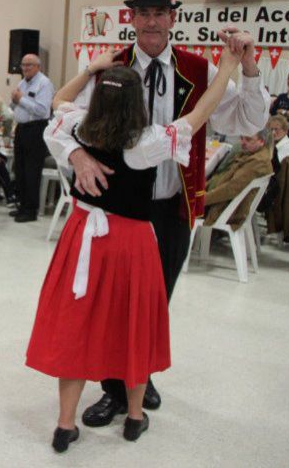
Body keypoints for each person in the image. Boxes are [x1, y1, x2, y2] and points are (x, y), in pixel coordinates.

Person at [49, 0, 270, 428]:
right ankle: (114, 389)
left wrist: (245, 69)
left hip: (171, 204)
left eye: (159, 12)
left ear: (173, 18)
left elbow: (249, 118)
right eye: (143, 13)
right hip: (116, 210)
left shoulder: (197, 69)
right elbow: (63, 117)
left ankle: (137, 373)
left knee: (154, 301)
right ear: (132, 18)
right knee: (110, 304)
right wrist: (76, 154)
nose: (151, 21)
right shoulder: (110, 67)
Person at [28, 38, 242, 452]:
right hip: (130, 244)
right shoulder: (145, 143)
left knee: (78, 323)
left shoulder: (74, 127)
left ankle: (65, 424)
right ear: (137, 104)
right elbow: (198, 116)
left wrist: (91, 69)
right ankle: (135, 416)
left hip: (83, 236)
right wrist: (228, 67)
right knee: (133, 322)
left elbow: (57, 100)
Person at [9, 53, 55, 222]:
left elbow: (43, 111)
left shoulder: (44, 83)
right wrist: (14, 100)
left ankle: (30, 210)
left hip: (36, 130)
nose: (25, 68)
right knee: (19, 169)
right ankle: (21, 205)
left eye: (29, 65)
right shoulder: (22, 83)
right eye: (23, 65)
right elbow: (15, 105)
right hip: (21, 129)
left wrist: (21, 99)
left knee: (31, 170)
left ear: (38, 67)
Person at [202, 130, 273, 229]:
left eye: (248, 139)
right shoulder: (251, 155)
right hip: (225, 204)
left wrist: (202, 200)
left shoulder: (257, 162)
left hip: (224, 210)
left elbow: (230, 189)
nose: (243, 142)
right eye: (241, 138)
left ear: (261, 141)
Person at [264, 115, 289, 243]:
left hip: (277, 186)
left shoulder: (284, 146)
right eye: (271, 129)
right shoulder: (275, 143)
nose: (273, 132)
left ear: (286, 131)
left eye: (277, 129)